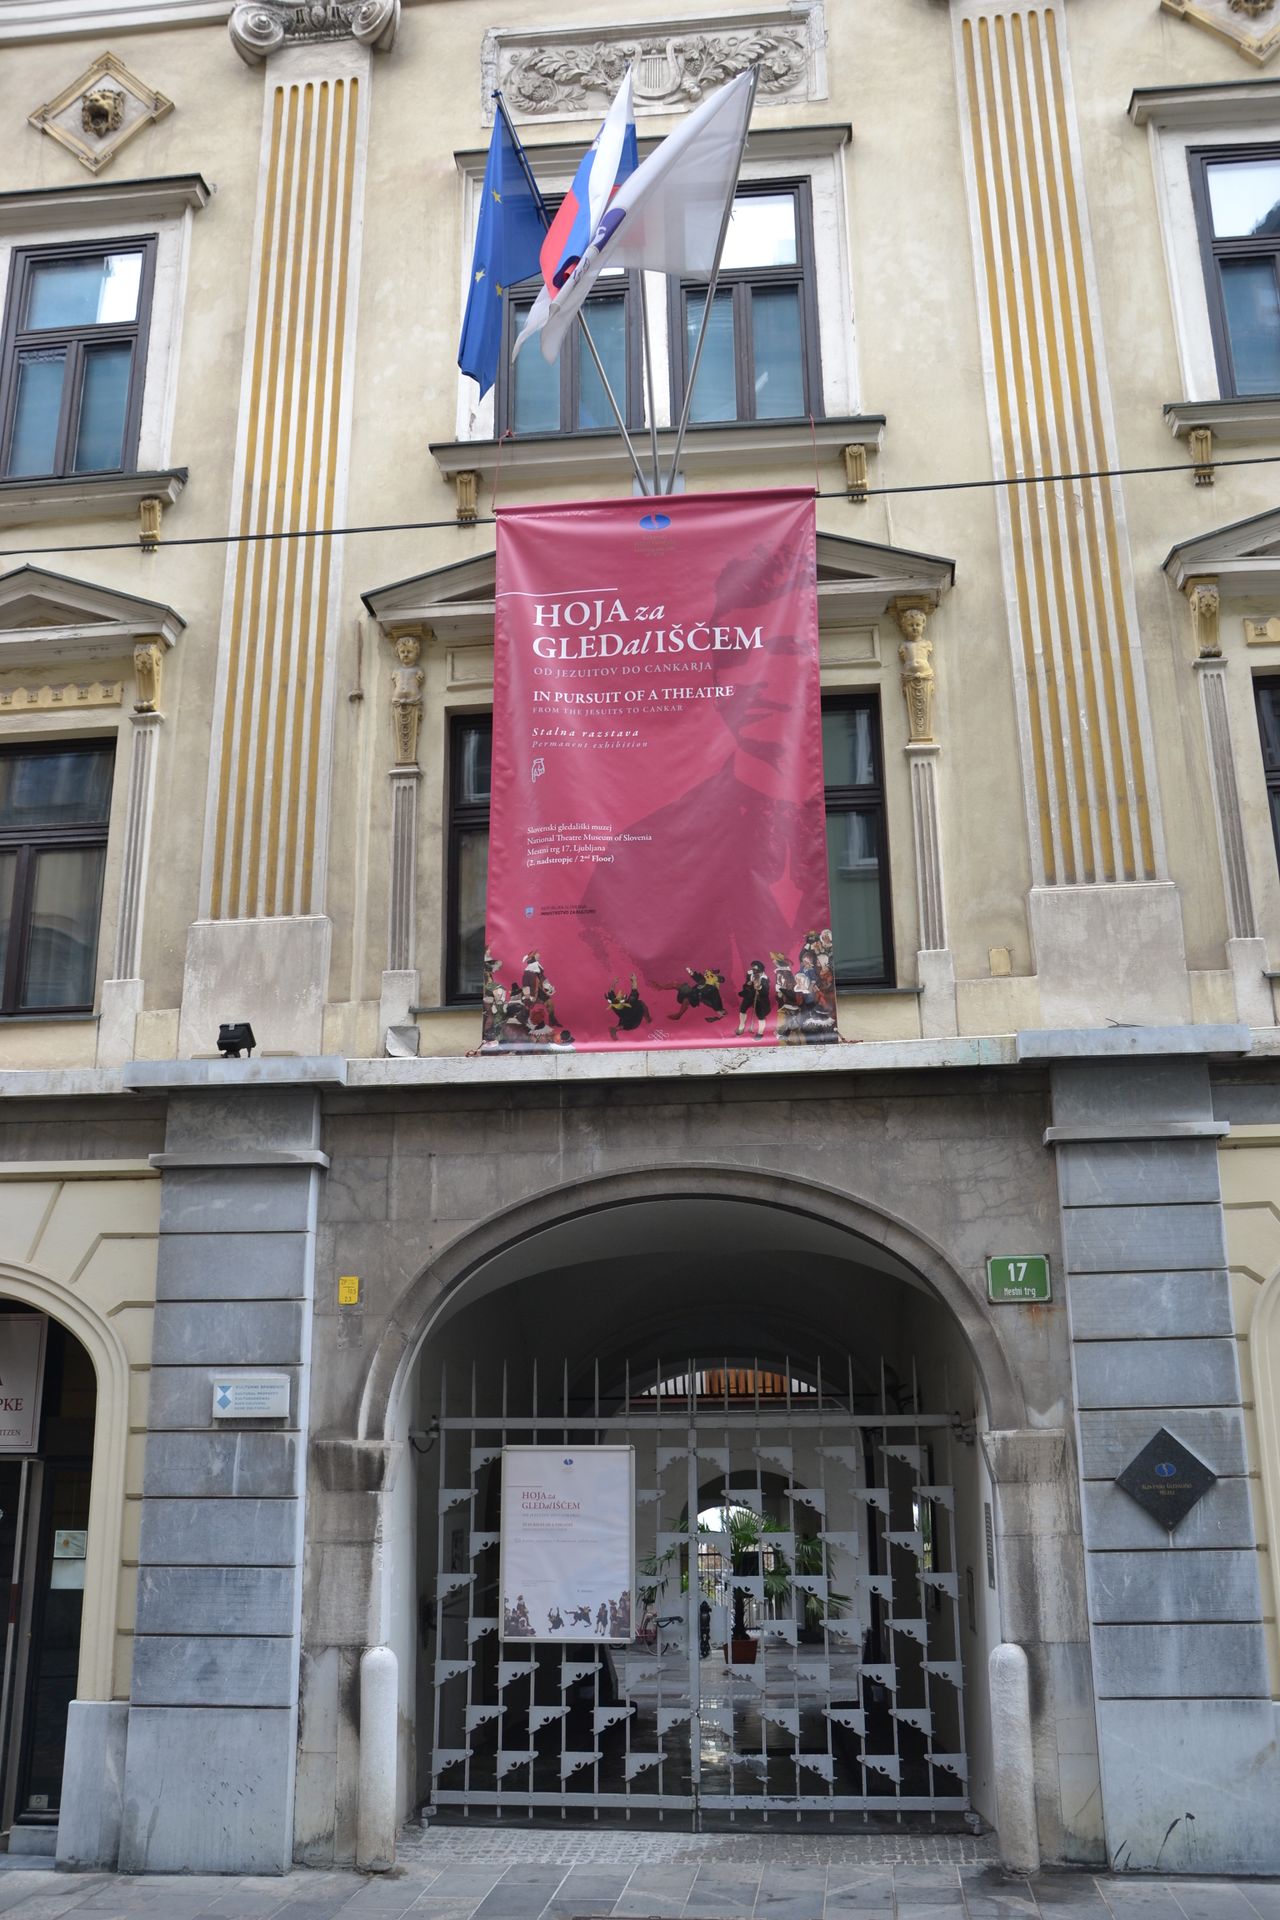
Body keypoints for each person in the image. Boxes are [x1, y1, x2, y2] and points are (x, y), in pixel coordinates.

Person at [606, 973, 651, 1039]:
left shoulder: (614, 1005)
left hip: (624, 1018)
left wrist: (614, 983)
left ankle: (615, 1029)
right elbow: (634, 990)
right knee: (641, 1004)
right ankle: (648, 1018)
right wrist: (634, 980)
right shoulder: (630, 1003)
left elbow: (610, 993)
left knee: (623, 1024)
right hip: (635, 1018)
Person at [736, 961, 771, 1038]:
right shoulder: (750, 974)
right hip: (750, 995)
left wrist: (759, 988)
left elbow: (765, 992)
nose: (753, 971)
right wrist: (748, 985)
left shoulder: (765, 979)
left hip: (760, 999)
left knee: (760, 1016)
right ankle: (741, 1026)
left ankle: (760, 1032)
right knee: (742, 1009)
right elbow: (746, 985)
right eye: (753, 969)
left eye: (755, 969)